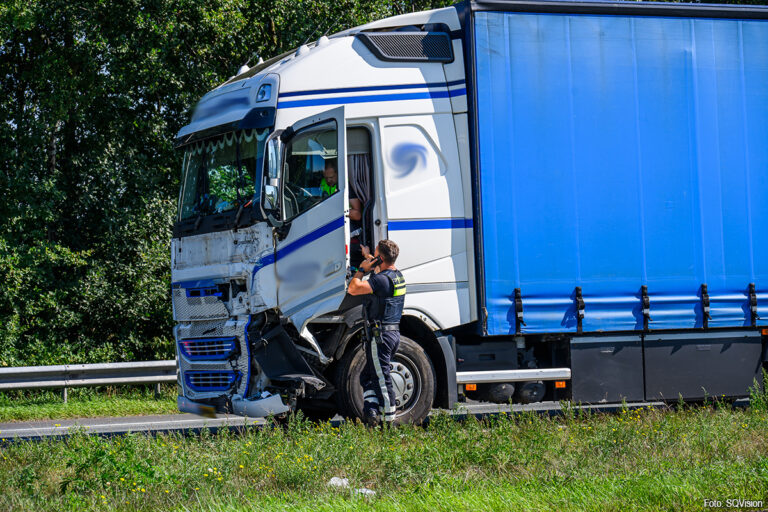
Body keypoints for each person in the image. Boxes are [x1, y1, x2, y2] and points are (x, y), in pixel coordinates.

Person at [347, 239, 406, 425]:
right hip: (393, 333)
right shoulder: (397, 276)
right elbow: (382, 269)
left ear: (381, 258)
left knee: (382, 379)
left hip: (380, 337)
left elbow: (353, 288)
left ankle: (389, 425)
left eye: (375, 253)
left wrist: (362, 269)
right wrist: (369, 257)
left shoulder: (380, 280)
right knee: (367, 376)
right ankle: (371, 413)